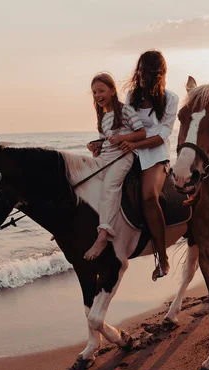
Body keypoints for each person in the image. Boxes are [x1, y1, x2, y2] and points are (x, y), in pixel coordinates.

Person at [118, 50, 179, 281]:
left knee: (148, 196)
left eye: (148, 71)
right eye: (140, 69)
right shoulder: (132, 95)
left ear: (158, 73)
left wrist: (135, 144)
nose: (143, 75)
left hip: (156, 155)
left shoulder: (171, 98)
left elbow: (163, 134)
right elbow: (127, 126)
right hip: (132, 150)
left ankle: (163, 258)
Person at [83, 73, 147, 261]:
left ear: (112, 91)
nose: (97, 95)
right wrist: (96, 146)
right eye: (94, 92)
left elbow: (141, 133)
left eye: (101, 90)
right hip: (107, 156)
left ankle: (103, 235)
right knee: (85, 179)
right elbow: (106, 141)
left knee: (110, 186)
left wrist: (122, 138)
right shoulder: (103, 117)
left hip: (124, 155)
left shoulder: (125, 111)